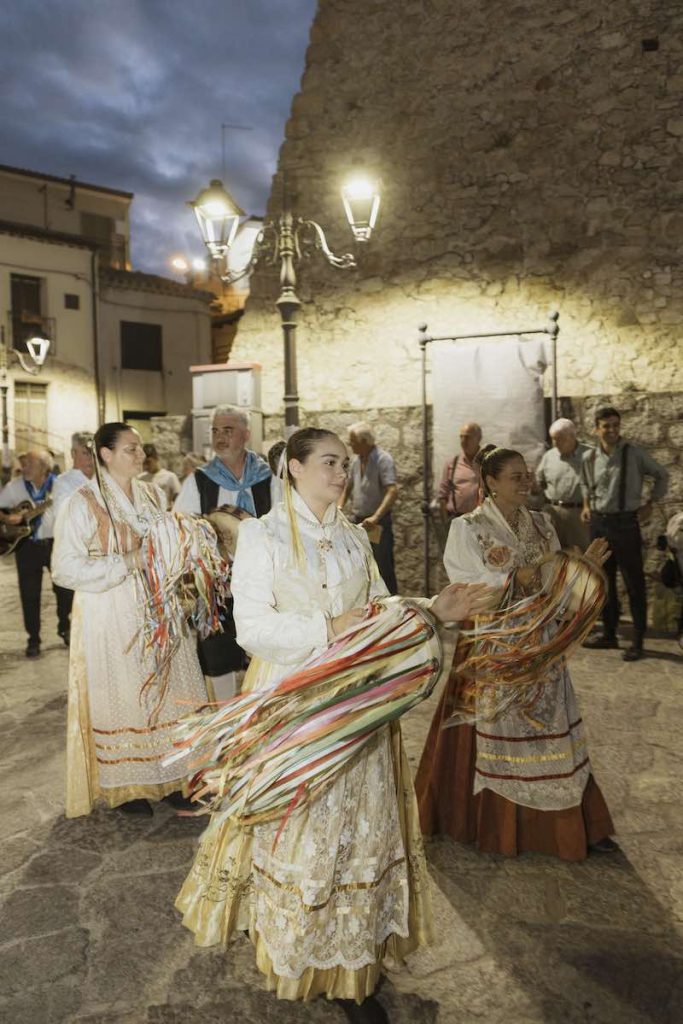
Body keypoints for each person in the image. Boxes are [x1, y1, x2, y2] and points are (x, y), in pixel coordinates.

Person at [175, 427, 489, 1024]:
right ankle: (301, 947)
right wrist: (329, 628)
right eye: (329, 462)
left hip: (357, 698)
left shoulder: (351, 534)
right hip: (293, 695)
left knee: (356, 829)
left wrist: (432, 609)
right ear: (293, 468)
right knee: (303, 825)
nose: (342, 473)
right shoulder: (263, 535)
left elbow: (378, 608)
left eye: (345, 464)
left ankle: (350, 958)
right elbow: (252, 629)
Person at [415, 445, 616, 862]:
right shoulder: (467, 528)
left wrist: (581, 570)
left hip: (540, 645)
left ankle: (564, 823)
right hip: (493, 645)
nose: (526, 483)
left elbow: (555, 584)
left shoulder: (541, 524)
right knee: (495, 731)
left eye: (527, 475)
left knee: (549, 729)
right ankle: (495, 825)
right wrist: (514, 578)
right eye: (515, 477)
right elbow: (467, 587)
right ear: (490, 482)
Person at [52, 422, 208, 818]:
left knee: (168, 689)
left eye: (140, 448)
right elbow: (64, 569)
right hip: (110, 609)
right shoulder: (81, 502)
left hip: (158, 603)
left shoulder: (152, 493)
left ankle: (173, 777)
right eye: (130, 449)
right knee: (125, 692)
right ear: (105, 454)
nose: (141, 455)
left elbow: (163, 544)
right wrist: (127, 562)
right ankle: (129, 785)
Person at [175, 405, 272, 699]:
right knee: (218, 652)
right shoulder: (199, 480)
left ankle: (263, 709)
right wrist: (210, 539)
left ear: (246, 434)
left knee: (267, 647)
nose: (220, 437)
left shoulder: (270, 478)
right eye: (215, 430)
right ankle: (227, 714)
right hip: (217, 583)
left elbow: (285, 523)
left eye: (228, 430)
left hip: (264, 580)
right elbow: (180, 525)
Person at [581, 405, 669, 661]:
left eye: (615, 425)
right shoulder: (589, 457)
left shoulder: (634, 453)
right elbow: (585, 483)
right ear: (597, 429)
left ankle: (638, 641)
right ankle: (609, 634)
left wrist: (650, 503)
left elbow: (661, 475)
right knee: (602, 581)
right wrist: (586, 506)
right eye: (606, 426)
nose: (611, 430)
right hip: (599, 524)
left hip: (626, 524)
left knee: (634, 583)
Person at [0, 449, 69, 657]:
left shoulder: (61, 485)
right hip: (26, 546)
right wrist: (7, 518)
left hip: (56, 544)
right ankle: (33, 638)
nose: (24, 467)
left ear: (44, 466)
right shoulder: (15, 486)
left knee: (65, 589)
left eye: (29, 463)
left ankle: (65, 626)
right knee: (29, 594)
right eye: (23, 463)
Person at [341, 422, 398, 595]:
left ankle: (392, 604)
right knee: (363, 567)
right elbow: (348, 487)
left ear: (364, 441)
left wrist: (376, 517)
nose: (350, 445)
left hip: (377, 523)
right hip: (360, 521)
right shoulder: (356, 461)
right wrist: (339, 506)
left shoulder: (383, 459)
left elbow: (392, 490)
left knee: (383, 567)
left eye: (353, 441)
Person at [536, 417, 591, 551]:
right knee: (552, 553)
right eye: (554, 439)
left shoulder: (590, 455)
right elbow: (540, 481)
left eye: (560, 439)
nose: (556, 443)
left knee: (582, 555)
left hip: (578, 515)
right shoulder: (549, 456)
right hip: (552, 513)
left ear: (573, 436)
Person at [437, 422, 483, 522]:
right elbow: (442, 495)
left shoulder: (487, 462)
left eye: (467, 437)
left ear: (478, 438)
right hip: (456, 518)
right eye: (461, 437)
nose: (463, 441)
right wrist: (445, 521)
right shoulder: (452, 463)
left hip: (481, 519)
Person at [139, 443, 181, 509]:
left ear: (156, 458)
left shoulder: (170, 477)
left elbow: (179, 497)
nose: (146, 466)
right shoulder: (141, 478)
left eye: (148, 462)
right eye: (144, 463)